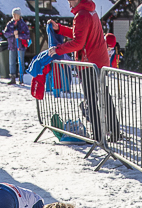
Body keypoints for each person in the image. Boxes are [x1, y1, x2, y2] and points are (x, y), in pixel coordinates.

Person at [48, 0, 119, 142]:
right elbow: (80, 34)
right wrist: (60, 28)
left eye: (70, 1)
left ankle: (98, 135)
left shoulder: (81, 15)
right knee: (104, 95)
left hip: (89, 63)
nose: (69, 5)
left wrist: (58, 49)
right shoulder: (90, 11)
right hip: (99, 61)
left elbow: (78, 42)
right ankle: (114, 131)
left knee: (91, 100)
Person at [4, 7, 28, 85]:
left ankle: (21, 78)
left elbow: (27, 35)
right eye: (13, 14)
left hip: (20, 46)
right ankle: (13, 78)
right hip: (12, 46)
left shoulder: (23, 24)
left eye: (16, 14)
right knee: (12, 62)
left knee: (20, 62)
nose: (14, 16)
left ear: (19, 15)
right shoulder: (10, 24)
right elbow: (5, 33)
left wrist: (19, 36)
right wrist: (12, 33)